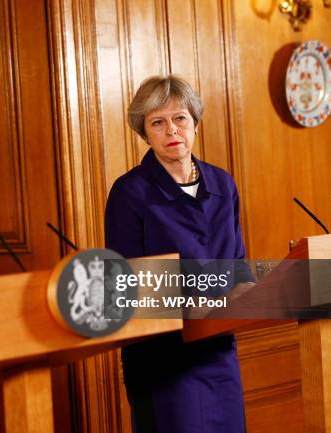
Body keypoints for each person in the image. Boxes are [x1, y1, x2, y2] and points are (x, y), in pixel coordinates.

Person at [105, 75, 252, 433]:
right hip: (163, 358)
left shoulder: (223, 183)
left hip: (218, 350)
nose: (172, 130)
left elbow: (238, 268)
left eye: (180, 118)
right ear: (144, 132)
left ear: (196, 123)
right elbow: (128, 285)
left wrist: (247, 289)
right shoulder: (129, 192)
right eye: (158, 122)